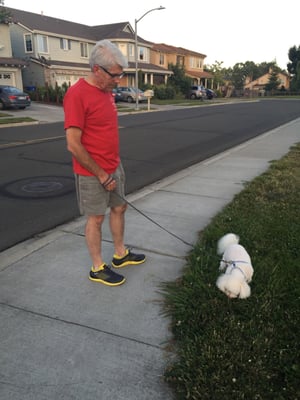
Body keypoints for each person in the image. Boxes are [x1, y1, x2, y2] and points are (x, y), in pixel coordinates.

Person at [63, 40, 146, 286]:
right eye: (115, 74)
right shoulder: (77, 94)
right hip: (92, 172)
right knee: (96, 218)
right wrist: (100, 174)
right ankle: (98, 267)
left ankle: (120, 254)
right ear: (97, 69)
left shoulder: (106, 90)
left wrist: (111, 168)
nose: (118, 80)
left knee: (120, 208)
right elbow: (73, 144)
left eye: (121, 74)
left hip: (113, 165)